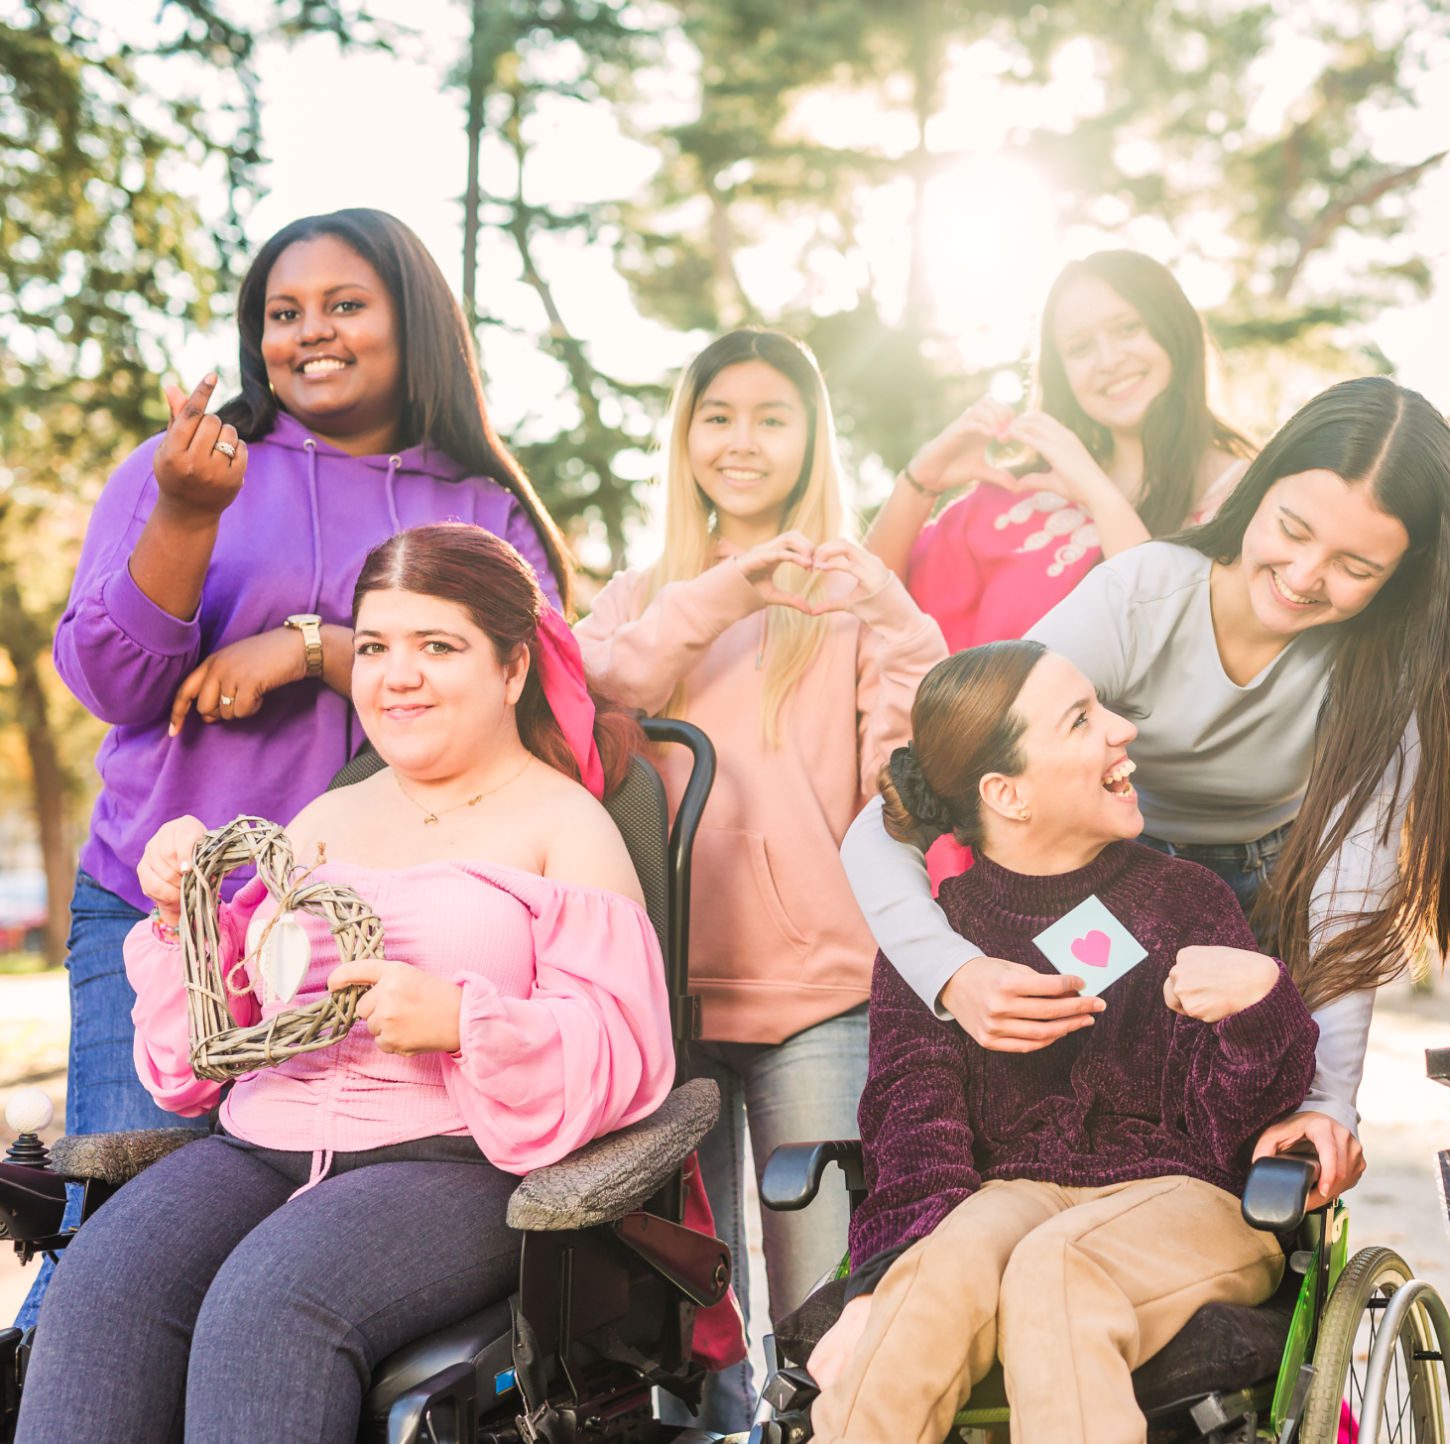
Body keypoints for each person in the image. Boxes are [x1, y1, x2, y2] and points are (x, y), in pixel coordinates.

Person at [16, 523, 738, 1444]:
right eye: (379, 646)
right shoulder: (324, 819)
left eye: (439, 646)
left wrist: (464, 1022)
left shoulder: (567, 826)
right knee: (103, 1278)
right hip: (259, 1143)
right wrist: (179, 915)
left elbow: (625, 1046)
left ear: (513, 669)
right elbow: (215, 1041)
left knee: (273, 1303)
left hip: (451, 1159)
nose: (398, 676)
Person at [36, 209, 568, 1328]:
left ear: (409, 322)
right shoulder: (181, 467)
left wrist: (323, 649)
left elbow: (550, 698)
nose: (309, 333)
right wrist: (186, 516)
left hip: (354, 957)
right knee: (119, 1244)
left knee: (274, 1278)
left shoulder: (476, 507)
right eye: (283, 312)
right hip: (164, 920)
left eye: (343, 305)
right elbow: (115, 685)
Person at [842, 375, 1450, 1207]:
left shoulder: (1385, 682)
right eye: (1291, 528)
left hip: (1274, 898)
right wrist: (951, 973)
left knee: (1242, 1147)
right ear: (1260, 486)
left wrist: (1328, 1104)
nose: (1304, 575)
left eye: (1355, 566)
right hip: (1115, 883)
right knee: (1077, 1112)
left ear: (1403, 574)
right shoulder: (1141, 595)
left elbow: (1347, 904)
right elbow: (900, 811)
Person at [805, 640, 1318, 1444]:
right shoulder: (944, 943)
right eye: (1083, 719)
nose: (1123, 731)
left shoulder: (1185, 900)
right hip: (1013, 1194)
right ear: (1007, 794)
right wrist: (878, 1289)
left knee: (1058, 1266)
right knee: (941, 1268)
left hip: (1189, 1198)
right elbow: (915, 1127)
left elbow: (1229, 1137)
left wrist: (1260, 1003)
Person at [574, 329, 946, 1424]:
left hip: (817, 999)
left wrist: (889, 613)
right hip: (657, 1007)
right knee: (686, 1327)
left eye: (770, 417)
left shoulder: (846, 597)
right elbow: (598, 687)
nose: (741, 440)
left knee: (827, 1313)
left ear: (809, 437)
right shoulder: (640, 594)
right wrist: (720, 594)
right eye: (718, 414)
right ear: (685, 434)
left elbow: (907, 775)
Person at [866, 249, 1255, 651]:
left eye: (1128, 328)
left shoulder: (1255, 502)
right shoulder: (1019, 495)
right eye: (1080, 347)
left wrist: (1096, 491)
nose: (1108, 360)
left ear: (1175, 328)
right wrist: (919, 481)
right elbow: (863, 604)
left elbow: (1181, 655)